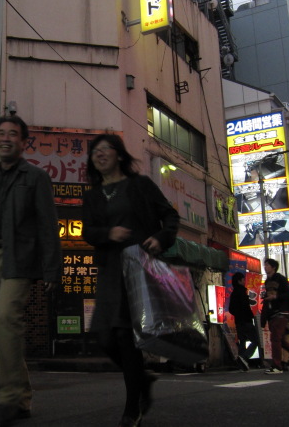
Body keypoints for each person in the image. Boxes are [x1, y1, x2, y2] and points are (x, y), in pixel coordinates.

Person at [0, 115, 61, 427]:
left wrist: (51, 269)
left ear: (23, 141)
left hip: (18, 257)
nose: (6, 138)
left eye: (13, 134)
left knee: (5, 319)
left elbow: (48, 225)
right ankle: (22, 396)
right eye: (1, 133)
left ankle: (8, 398)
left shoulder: (34, 177)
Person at [81, 134, 180, 427]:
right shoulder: (92, 196)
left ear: (120, 155)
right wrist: (107, 234)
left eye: (105, 149)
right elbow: (88, 232)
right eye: (94, 152)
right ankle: (143, 379)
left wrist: (162, 238)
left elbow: (170, 216)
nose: (99, 155)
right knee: (104, 337)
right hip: (110, 269)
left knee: (125, 337)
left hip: (139, 267)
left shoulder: (140, 185)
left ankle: (131, 407)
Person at [228, 272, 260, 371]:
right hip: (246, 320)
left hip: (238, 321)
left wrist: (237, 314)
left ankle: (242, 364)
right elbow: (245, 307)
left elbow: (231, 309)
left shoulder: (234, 293)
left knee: (242, 341)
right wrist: (248, 315)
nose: (244, 281)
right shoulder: (242, 292)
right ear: (239, 281)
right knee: (255, 340)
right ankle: (245, 357)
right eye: (242, 280)